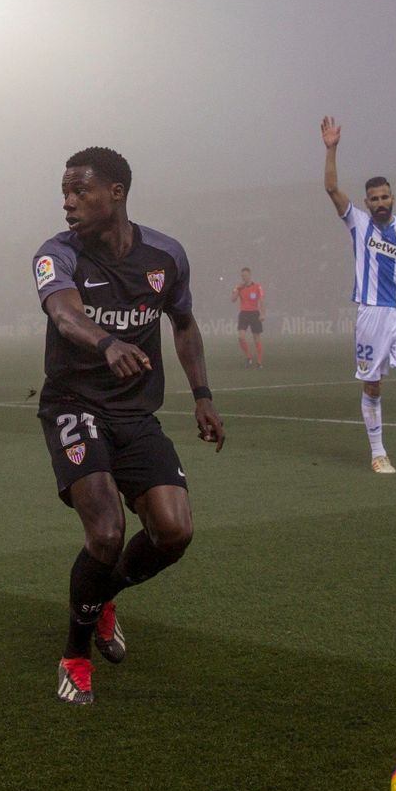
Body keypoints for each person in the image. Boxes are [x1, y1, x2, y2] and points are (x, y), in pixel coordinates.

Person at [33, 146, 224, 705]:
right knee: (107, 532)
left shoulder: (165, 255)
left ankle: (102, 595)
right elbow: (65, 315)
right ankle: (74, 654)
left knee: (174, 531)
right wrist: (107, 340)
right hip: (73, 405)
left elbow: (184, 325)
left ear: (115, 193)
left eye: (80, 191)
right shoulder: (57, 254)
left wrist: (203, 395)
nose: (67, 203)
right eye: (64, 192)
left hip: (135, 412)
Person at [321, 116, 396, 478]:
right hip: (372, 314)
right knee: (372, 384)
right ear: (366, 202)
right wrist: (331, 149)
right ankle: (378, 453)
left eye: (385, 197)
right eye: (373, 198)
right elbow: (330, 189)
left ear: (393, 197)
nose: (380, 203)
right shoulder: (358, 222)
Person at [231, 267, 266, 368]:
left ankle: (259, 362)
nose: (243, 277)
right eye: (242, 276)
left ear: (250, 275)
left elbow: (262, 300)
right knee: (241, 337)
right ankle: (248, 357)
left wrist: (263, 314)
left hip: (254, 313)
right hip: (244, 314)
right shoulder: (239, 287)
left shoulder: (257, 287)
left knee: (256, 338)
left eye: (245, 275)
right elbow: (233, 299)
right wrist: (236, 290)